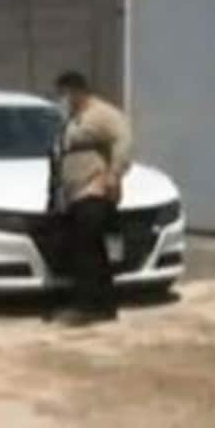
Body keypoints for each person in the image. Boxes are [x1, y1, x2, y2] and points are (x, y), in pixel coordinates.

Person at [50, 71, 134, 327]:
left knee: (87, 251)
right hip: (74, 194)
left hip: (94, 191)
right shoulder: (73, 119)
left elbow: (124, 138)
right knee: (91, 250)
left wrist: (114, 174)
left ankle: (86, 306)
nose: (62, 99)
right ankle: (105, 305)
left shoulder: (101, 114)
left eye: (64, 93)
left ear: (76, 91)